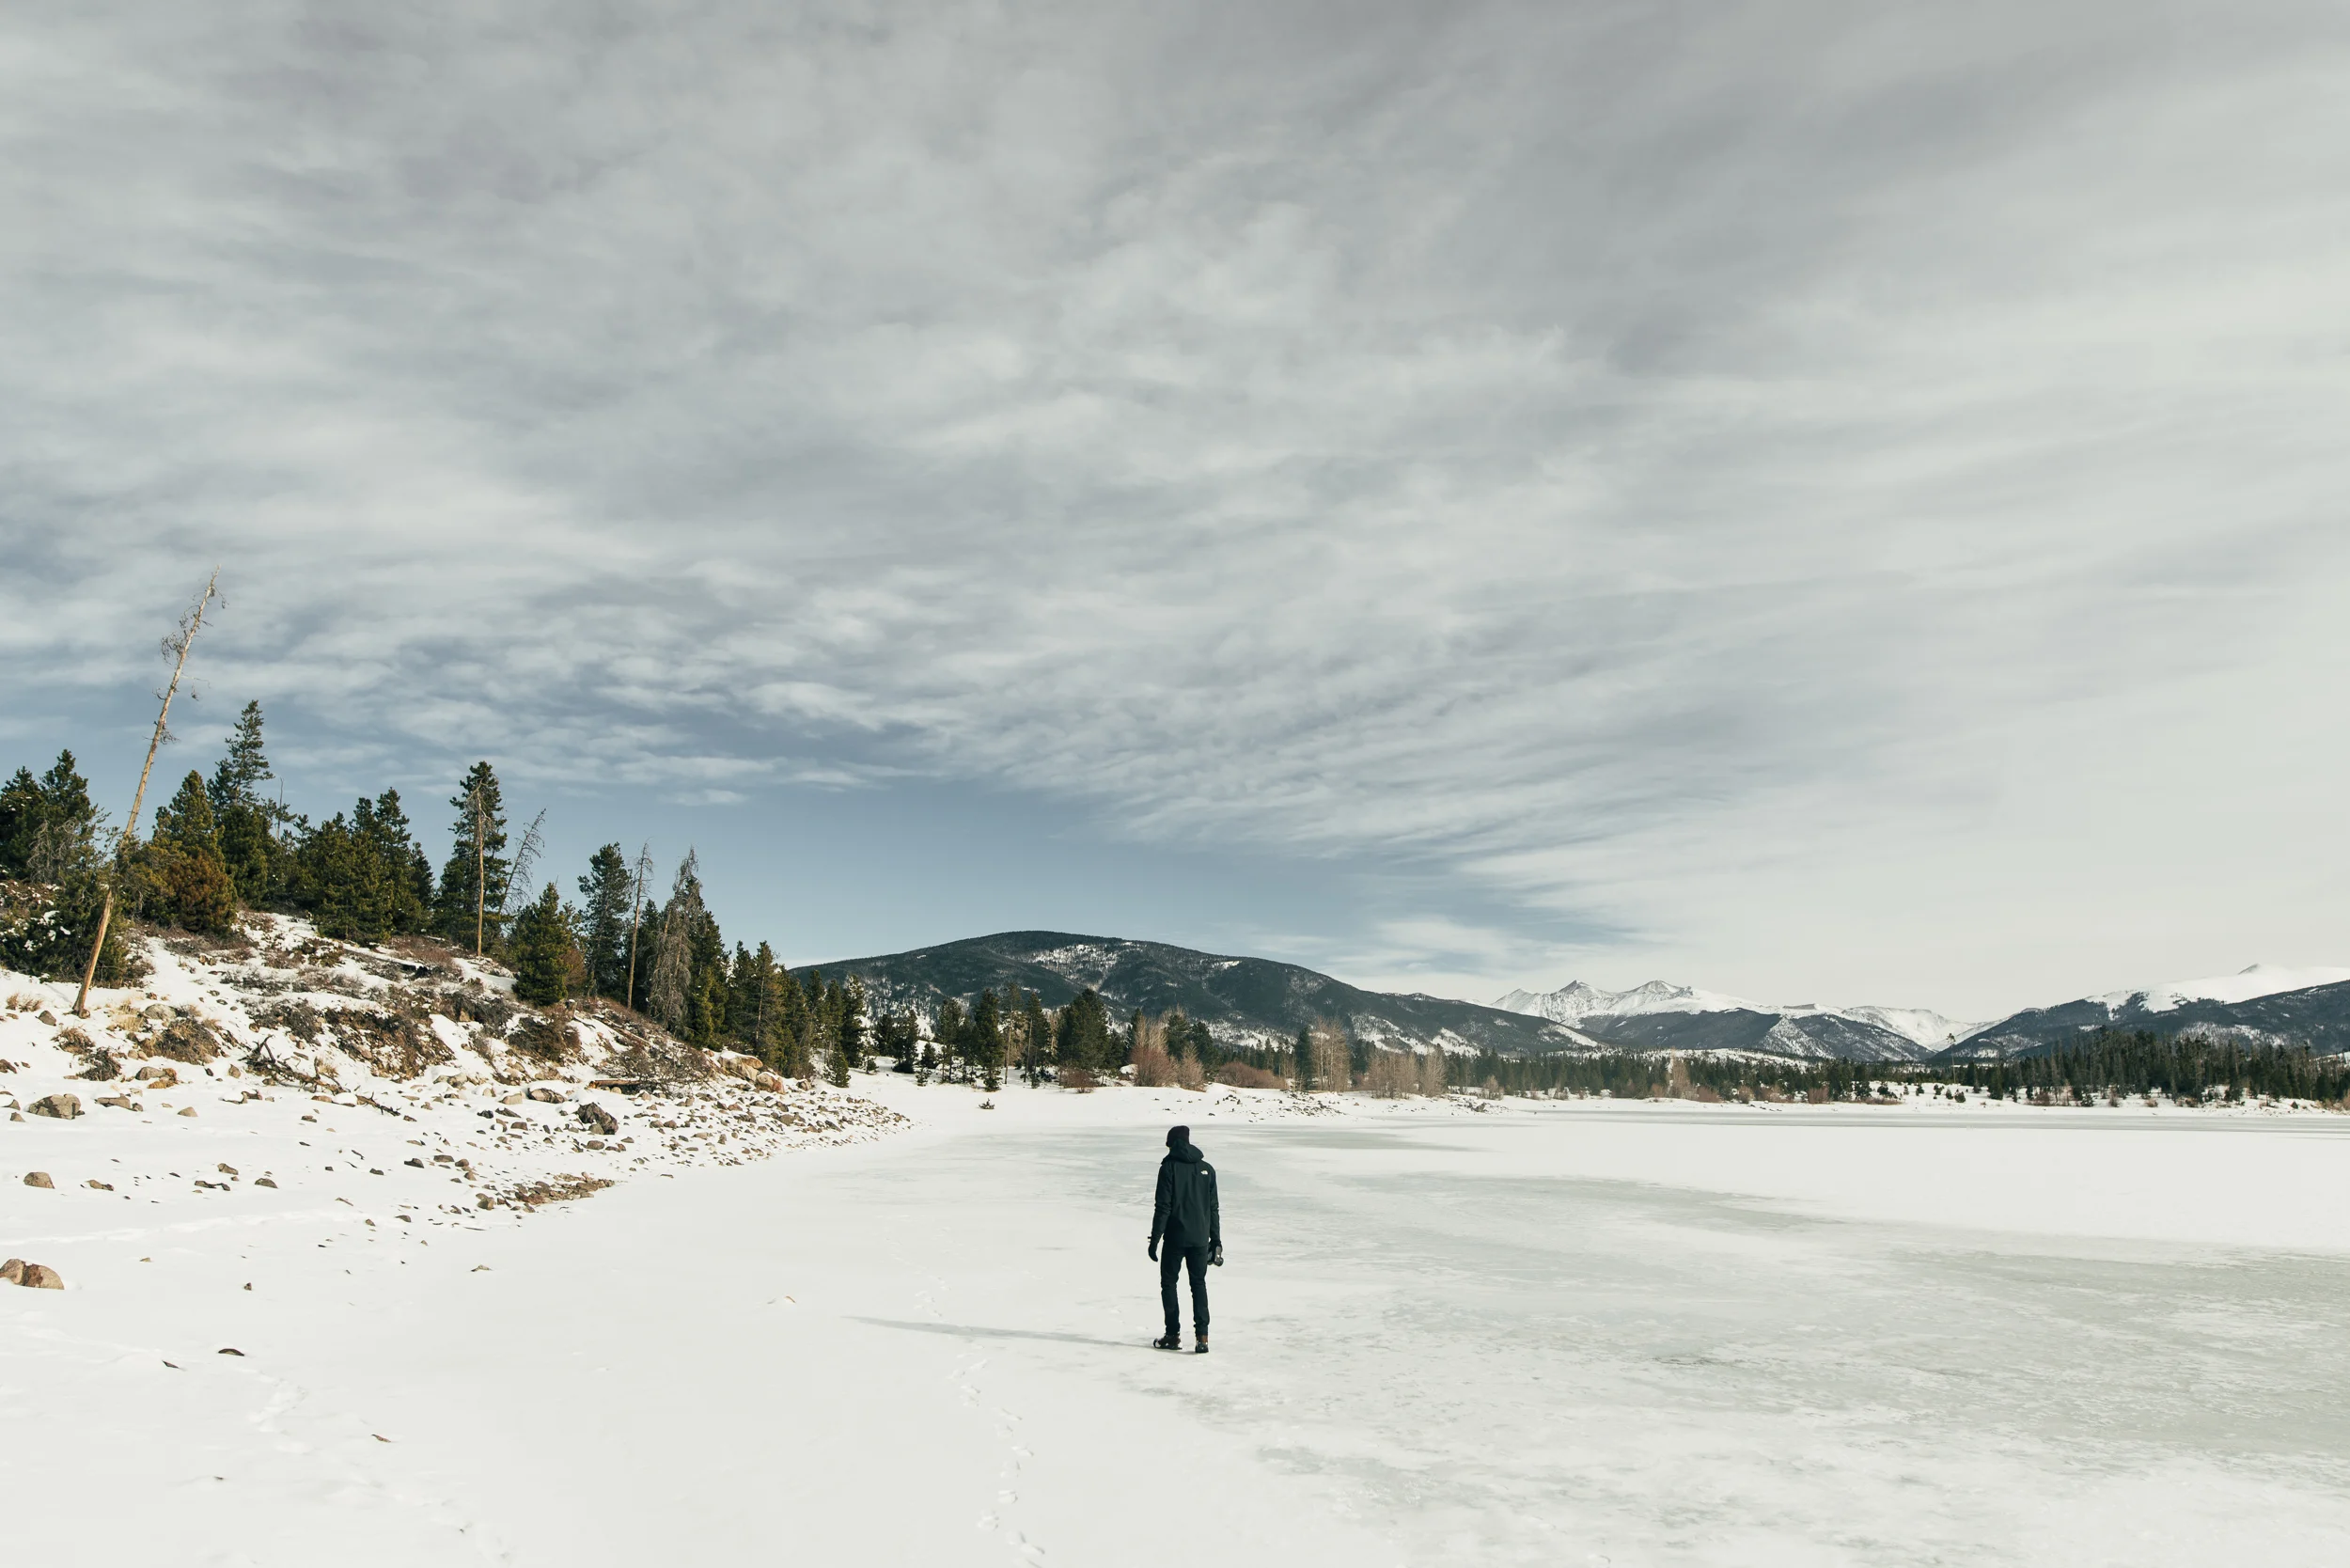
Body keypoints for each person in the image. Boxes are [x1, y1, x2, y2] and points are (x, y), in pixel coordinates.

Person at [1148, 1124, 1222, 1353]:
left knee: (1169, 1284)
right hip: (1200, 1239)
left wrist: (1155, 1240)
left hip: (1175, 1239)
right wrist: (1216, 1241)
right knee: (1198, 1285)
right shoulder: (1207, 1169)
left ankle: (1172, 1335)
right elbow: (1213, 1209)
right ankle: (1202, 1338)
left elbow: (1163, 1207)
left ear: (1172, 1143)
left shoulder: (1168, 1168)